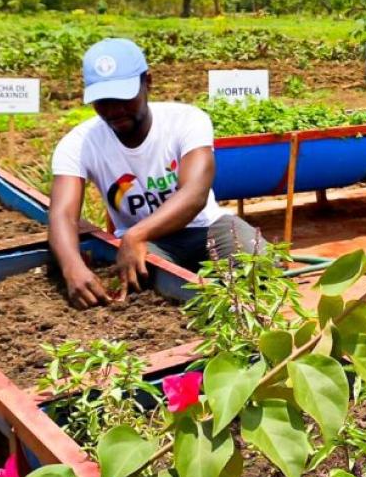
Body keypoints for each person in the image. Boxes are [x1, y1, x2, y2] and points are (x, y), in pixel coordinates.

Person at [48, 37, 265, 308]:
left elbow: (195, 193)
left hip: (205, 227)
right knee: (148, 289)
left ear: (147, 82)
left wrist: (136, 233)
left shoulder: (186, 120)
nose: (114, 110)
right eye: (103, 101)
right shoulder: (79, 143)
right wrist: (72, 268)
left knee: (258, 262)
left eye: (123, 98)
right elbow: (63, 215)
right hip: (151, 244)